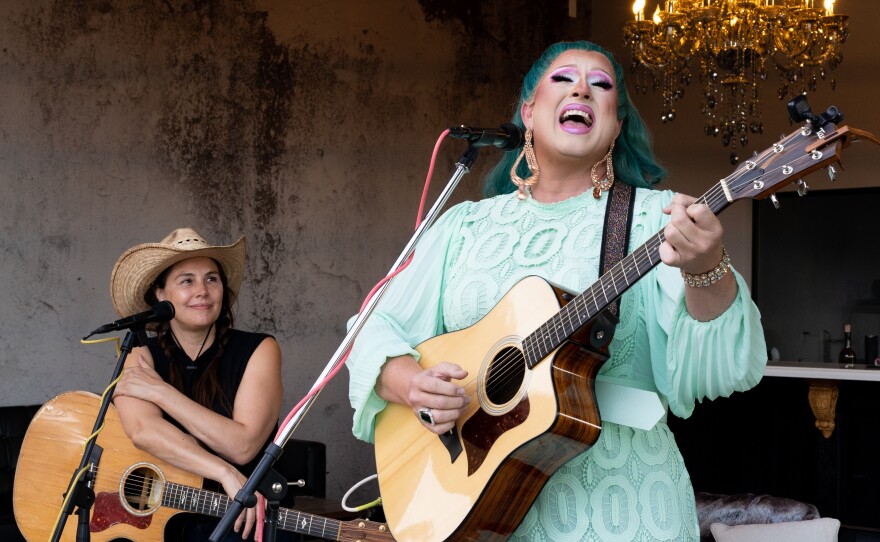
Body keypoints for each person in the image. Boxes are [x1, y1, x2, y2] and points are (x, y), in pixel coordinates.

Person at [346, 41, 767, 541]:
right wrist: (411, 384)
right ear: (528, 111)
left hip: (621, 507)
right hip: (470, 504)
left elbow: (719, 370)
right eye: (564, 78)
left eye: (603, 85)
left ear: (615, 124)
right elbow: (373, 327)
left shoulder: (657, 219)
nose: (583, 89)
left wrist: (706, 268)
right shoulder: (464, 227)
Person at [111, 227, 286, 541]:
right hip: (162, 521)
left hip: (240, 521)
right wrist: (224, 472)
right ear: (160, 295)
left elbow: (242, 446)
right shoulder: (139, 353)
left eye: (212, 279)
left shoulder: (260, 349)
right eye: (187, 280)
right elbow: (143, 431)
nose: (202, 290)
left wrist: (161, 392)